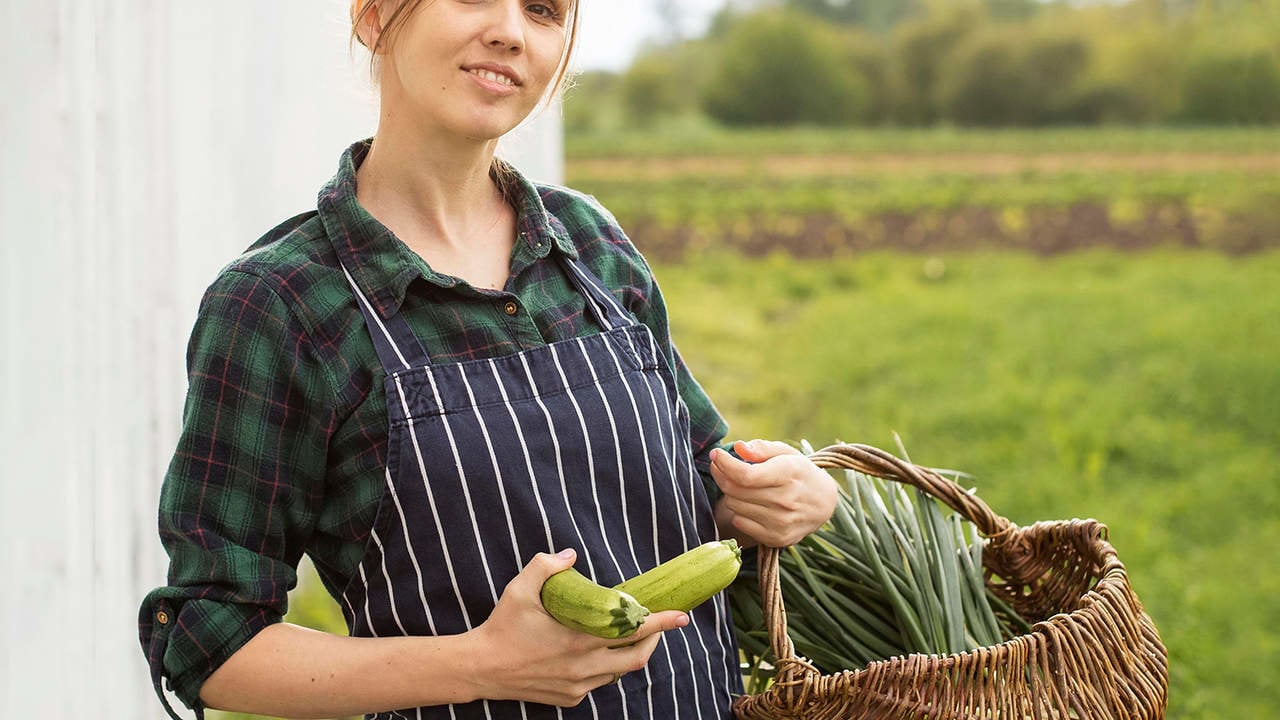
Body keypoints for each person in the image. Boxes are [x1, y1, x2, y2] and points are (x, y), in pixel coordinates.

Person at [138, 1, 839, 718]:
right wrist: (481, 665)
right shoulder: (283, 304)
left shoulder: (588, 243)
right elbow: (210, 642)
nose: (510, 30)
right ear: (375, 16)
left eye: (543, 10)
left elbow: (703, 479)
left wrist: (777, 494)